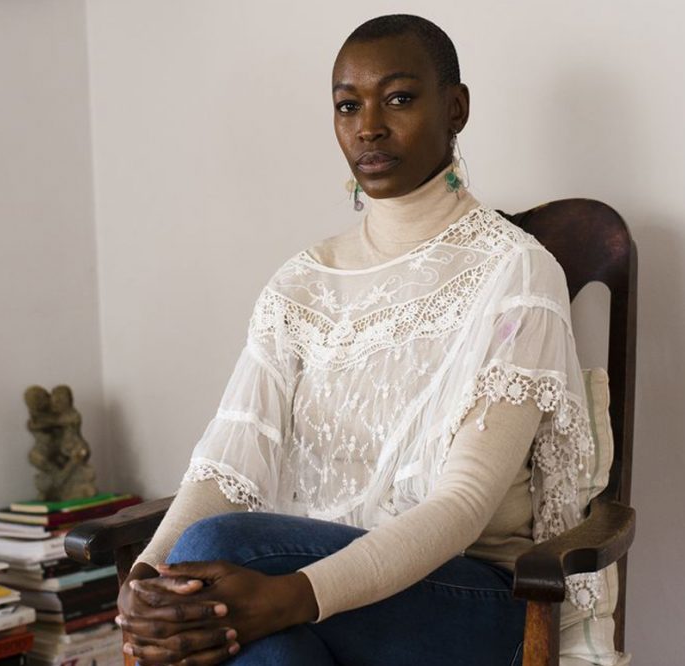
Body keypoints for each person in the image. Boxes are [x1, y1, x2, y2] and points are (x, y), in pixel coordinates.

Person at [115, 14, 620, 665]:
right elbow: (226, 469)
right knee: (267, 651)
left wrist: (294, 595)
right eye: (348, 106)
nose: (369, 126)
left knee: (222, 552)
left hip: (475, 603)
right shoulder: (301, 284)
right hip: (332, 606)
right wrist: (143, 584)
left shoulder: (515, 273)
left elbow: (464, 503)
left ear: (456, 108)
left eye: (400, 98)